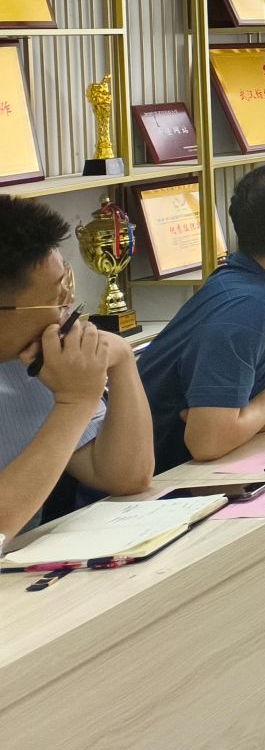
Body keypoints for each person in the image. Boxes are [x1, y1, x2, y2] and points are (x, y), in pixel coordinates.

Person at [137, 160, 265, 468]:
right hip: (155, 477)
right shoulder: (246, 307)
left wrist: (241, 423)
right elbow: (207, 442)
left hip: (218, 460)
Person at [0, 196, 152, 537]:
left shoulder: (30, 359)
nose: (66, 314)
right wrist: (74, 402)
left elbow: (125, 477)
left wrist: (122, 361)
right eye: (57, 300)